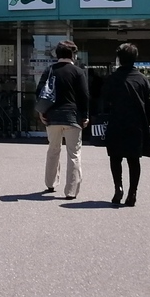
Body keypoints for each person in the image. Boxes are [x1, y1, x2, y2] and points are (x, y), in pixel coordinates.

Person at [100, 42, 150, 207]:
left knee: (115, 157)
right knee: (133, 159)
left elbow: (103, 102)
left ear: (119, 59)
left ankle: (118, 188)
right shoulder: (142, 79)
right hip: (136, 124)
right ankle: (132, 193)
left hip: (116, 122)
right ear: (135, 58)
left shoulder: (112, 79)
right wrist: (145, 120)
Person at [37, 40, 89, 199]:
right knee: (74, 154)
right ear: (73, 54)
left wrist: (42, 112)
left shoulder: (50, 70)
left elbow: (40, 91)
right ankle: (71, 191)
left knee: (53, 150)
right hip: (72, 117)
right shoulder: (78, 72)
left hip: (52, 117)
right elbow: (84, 96)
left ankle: (50, 183)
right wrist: (85, 115)